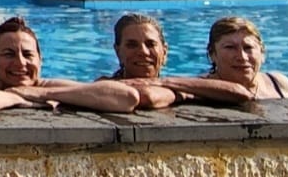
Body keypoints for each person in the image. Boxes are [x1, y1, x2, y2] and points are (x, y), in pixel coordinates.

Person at [0, 16, 141, 113]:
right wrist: (16, 97)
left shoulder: (48, 88)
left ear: (40, 59)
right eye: (9, 54)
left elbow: (127, 97)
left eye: (28, 54)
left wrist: (42, 94)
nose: (20, 63)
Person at [105, 13, 251, 107]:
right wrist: (179, 92)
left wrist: (164, 83)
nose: (143, 52)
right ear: (118, 51)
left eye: (151, 44)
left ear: (165, 52)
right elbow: (146, 97)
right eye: (132, 45)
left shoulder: (176, 84)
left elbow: (241, 93)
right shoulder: (105, 85)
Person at [203, 16, 288, 100]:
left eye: (248, 47)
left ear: (262, 53)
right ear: (212, 54)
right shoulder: (199, 90)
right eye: (230, 47)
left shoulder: (278, 82)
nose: (242, 57)